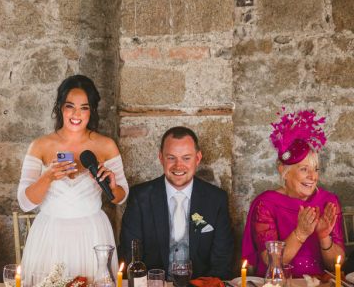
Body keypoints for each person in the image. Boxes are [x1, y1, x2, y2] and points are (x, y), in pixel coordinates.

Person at [17, 74, 129, 282]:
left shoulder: (106, 145)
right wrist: (48, 177)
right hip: (50, 234)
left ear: (92, 110)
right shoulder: (40, 145)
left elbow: (121, 197)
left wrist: (112, 186)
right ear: (60, 107)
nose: (76, 114)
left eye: (84, 107)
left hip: (92, 233)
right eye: (70, 106)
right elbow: (24, 202)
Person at [120, 126, 234, 280]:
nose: (178, 166)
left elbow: (222, 260)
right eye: (171, 157)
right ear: (161, 158)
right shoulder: (140, 197)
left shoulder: (216, 199)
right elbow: (130, 255)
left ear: (198, 158)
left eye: (186, 158)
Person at [242, 109, 345, 277]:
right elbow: (272, 263)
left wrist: (324, 237)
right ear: (284, 171)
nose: (313, 177)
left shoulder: (328, 201)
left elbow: (336, 266)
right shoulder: (266, 203)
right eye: (304, 169)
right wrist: (301, 233)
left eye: (316, 169)